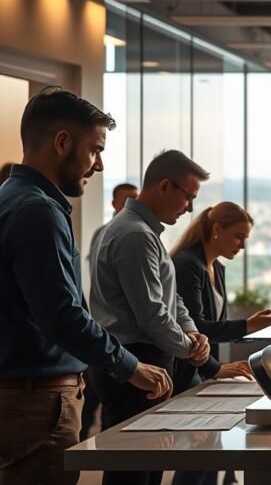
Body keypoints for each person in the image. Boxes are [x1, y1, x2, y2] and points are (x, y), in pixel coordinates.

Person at [0, 89, 171, 485]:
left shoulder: (12, 199)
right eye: (95, 150)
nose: (98, 165)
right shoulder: (38, 212)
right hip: (37, 402)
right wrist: (131, 366)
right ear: (62, 143)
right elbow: (62, 315)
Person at [90, 150, 212, 485]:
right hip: (136, 366)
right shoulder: (135, 236)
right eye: (188, 197)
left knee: (147, 466)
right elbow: (153, 316)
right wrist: (189, 348)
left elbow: (171, 301)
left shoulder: (143, 232)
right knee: (132, 473)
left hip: (146, 362)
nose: (189, 208)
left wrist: (191, 333)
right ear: (164, 186)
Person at [169, 202, 271, 485]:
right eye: (238, 236)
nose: (242, 245)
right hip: (184, 372)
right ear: (216, 229)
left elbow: (211, 328)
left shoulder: (216, 267)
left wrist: (215, 370)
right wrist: (246, 326)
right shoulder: (187, 264)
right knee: (196, 459)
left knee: (208, 456)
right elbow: (195, 327)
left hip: (202, 371)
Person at [80, 182, 139, 441]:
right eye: (126, 200)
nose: (131, 204)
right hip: (105, 324)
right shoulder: (106, 234)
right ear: (114, 203)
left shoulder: (139, 232)